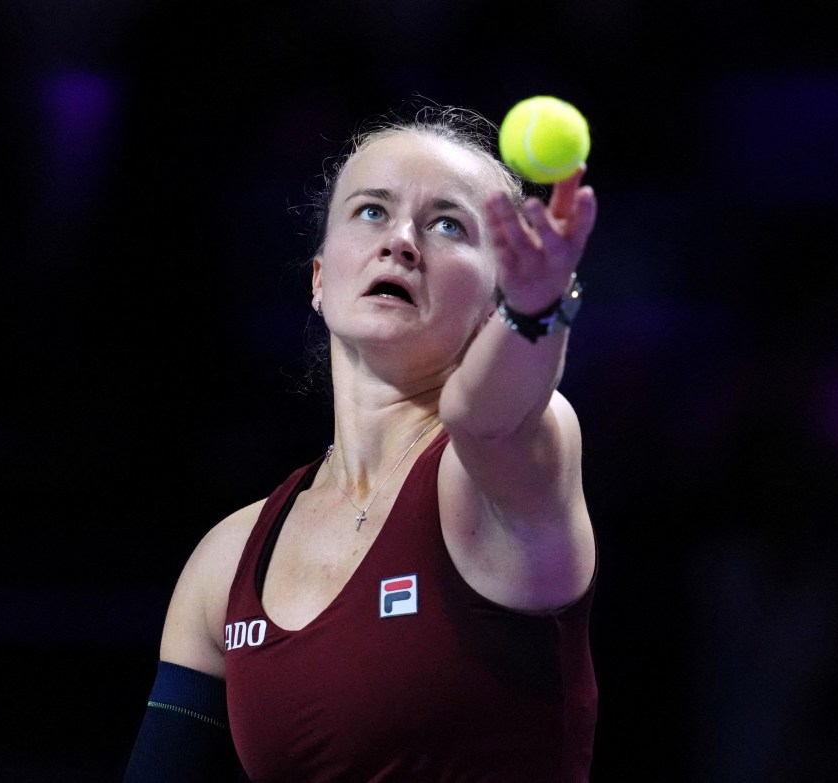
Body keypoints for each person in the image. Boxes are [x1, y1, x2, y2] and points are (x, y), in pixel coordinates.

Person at [124, 103, 599, 782]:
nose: (402, 239)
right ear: (320, 278)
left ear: (497, 300)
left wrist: (538, 308)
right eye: (372, 211)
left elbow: (487, 413)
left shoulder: (510, 460)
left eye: (447, 224)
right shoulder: (227, 564)